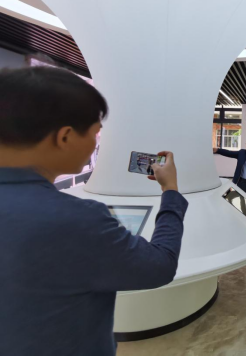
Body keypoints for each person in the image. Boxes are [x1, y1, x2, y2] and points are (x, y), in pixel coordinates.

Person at [0, 67, 188, 356]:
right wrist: (171, 191)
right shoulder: (77, 220)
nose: (96, 143)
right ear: (65, 137)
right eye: (95, 133)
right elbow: (160, 266)